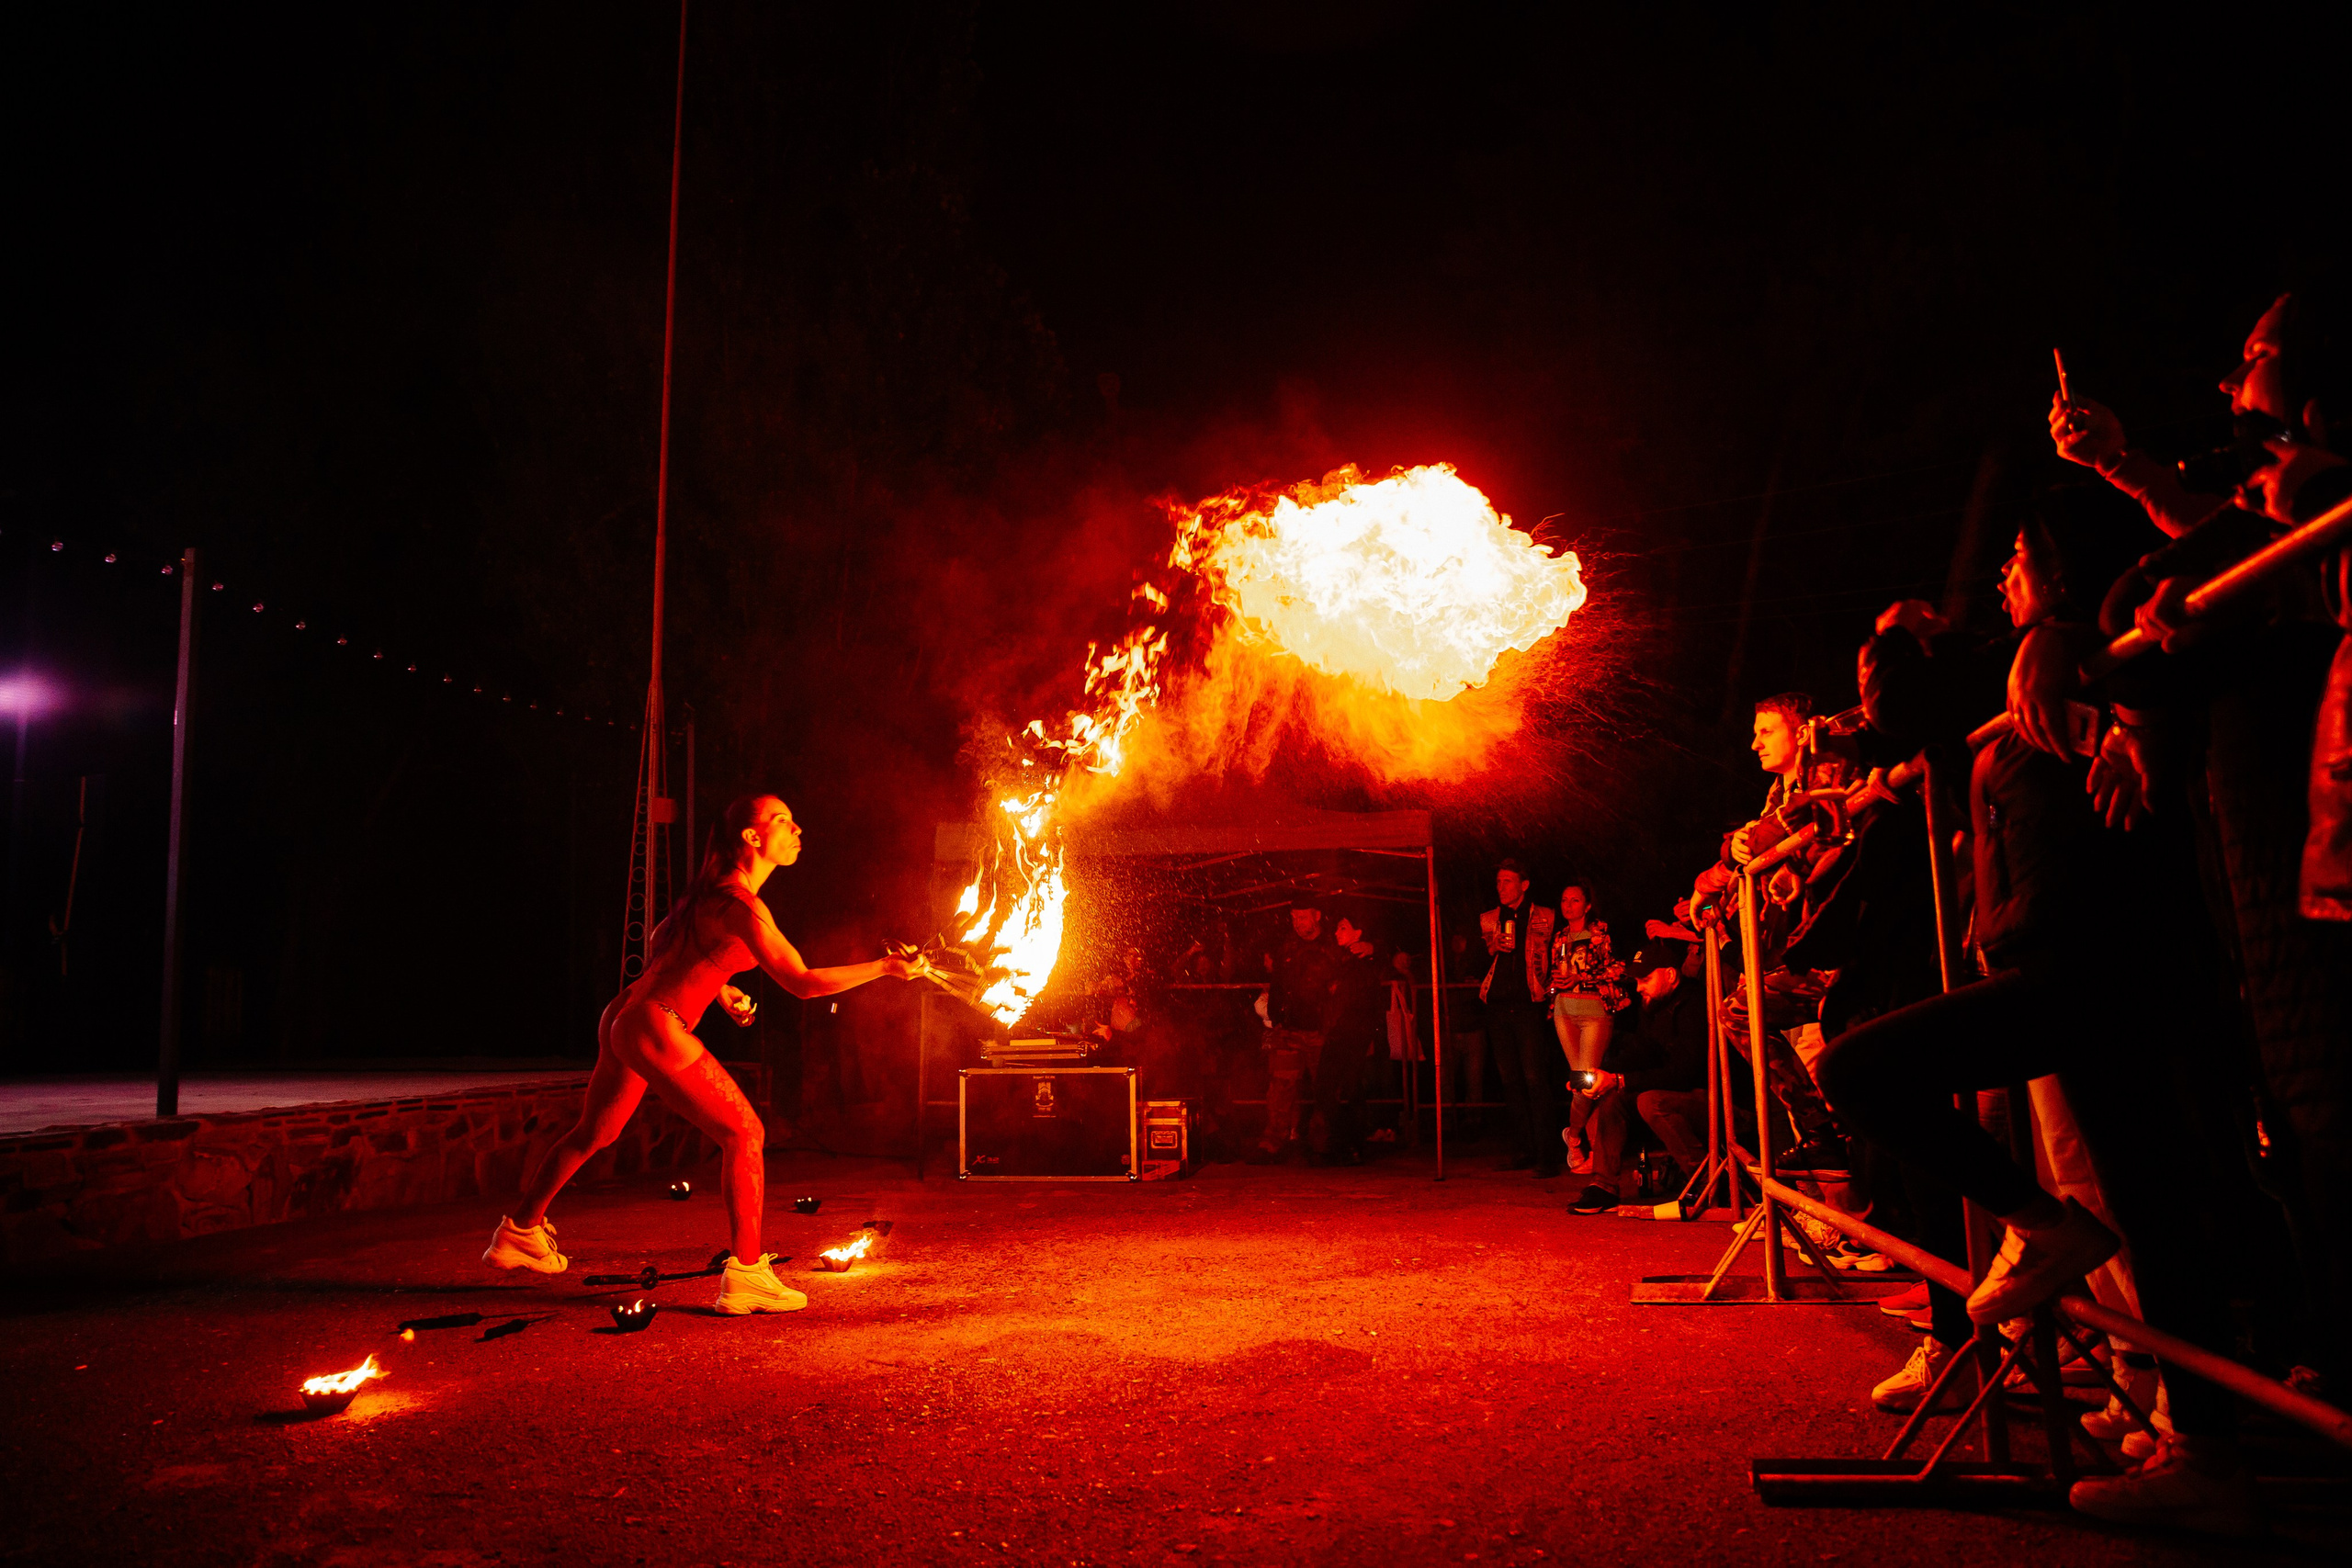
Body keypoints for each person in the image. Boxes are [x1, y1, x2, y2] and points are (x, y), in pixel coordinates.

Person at [1820, 499, 2256, 1532]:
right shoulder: (2029, 663)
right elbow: (1907, 713)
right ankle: (2200, 1451)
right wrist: (1898, 639)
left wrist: (2058, 656)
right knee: (2150, 1204)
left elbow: (2159, 662)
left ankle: (2046, 1236)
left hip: (2098, 964)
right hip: (2083, 967)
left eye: (2019, 558)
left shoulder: (2086, 650)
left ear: (2058, 575)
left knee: (1860, 1071)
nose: (2004, 574)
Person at [484, 795, 920, 1314]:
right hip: (656, 1024)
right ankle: (748, 1275)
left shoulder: (711, 892)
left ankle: (519, 1231)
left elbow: (665, 940)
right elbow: (802, 983)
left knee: (596, 1132)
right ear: (753, 838)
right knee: (746, 1133)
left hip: (626, 1015)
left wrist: (719, 987)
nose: (797, 829)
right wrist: (885, 969)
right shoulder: (741, 904)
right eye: (782, 821)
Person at [1567, 964, 1707, 1214]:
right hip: (1677, 1090)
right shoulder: (1654, 1005)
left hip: (1713, 1099)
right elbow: (1641, 1052)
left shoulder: (1694, 1005)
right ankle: (1603, 1185)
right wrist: (1603, 1075)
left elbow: (1685, 1074)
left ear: (1671, 975)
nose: (1639, 987)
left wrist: (1621, 1080)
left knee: (1650, 1101)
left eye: (1646, 979)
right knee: (1614, 1096)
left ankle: (1706, 1180)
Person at [1477, 859, 1560, 1178]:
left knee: (1535, 1080)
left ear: (1524, 885)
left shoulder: (1546, 916)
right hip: (1498, 1007)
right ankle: (1524, 1149)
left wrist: (1551, 992)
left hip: (1528, 1006)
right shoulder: (1488, 919)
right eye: (1498, 881)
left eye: (1508, 881)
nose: (1501, 887)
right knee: (1511, 1082)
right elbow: (1473, 962)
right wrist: (1490, 947)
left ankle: (1547, 1155)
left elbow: (1554, 957)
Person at [1249, 899, 1340, 1164]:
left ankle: (1322, 1143)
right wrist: (1278, 1016)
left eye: (1302, 917)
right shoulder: (1288, 945)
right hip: (1288, 1030)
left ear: (1317, 915)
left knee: (1324, 1088)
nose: (1298, 923)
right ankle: (1273, 1141)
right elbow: (1278, 982)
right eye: (1294, 918)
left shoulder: (1331, 947)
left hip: (1319, 1032)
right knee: (1280, 1087)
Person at [1547, 881, 1628, 1175]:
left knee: (1587, 1081)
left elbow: (1618, 967)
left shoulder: (1600, 933)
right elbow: (1556, 973)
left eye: (1575, 900)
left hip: (1594, 1010)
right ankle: (1593, 1148)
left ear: (1587, 905)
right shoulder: (1559, 937)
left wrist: (1582, 976)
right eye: (1564, 900)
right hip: (1564, 1011)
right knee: (1582, 1083)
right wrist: (1556, 983)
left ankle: (1575, 1137)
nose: (1568, 906)